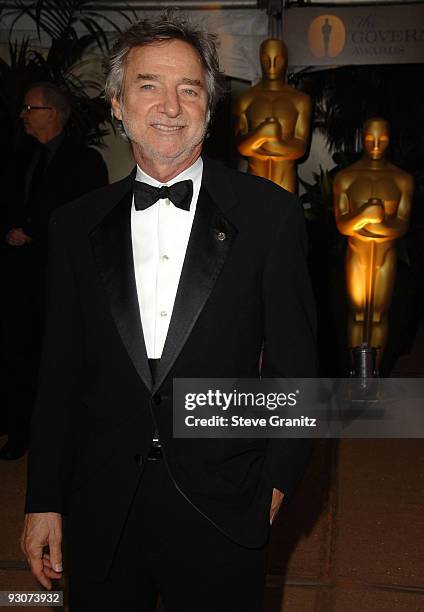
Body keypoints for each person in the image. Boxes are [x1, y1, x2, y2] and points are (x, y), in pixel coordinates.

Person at [21, 14, 317, 611]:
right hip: (101, 502)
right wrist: (42, 498)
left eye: (189, 88)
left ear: (210, 107)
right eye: (148, 85)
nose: (170, 106)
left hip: (225, 502)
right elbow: (60, 374)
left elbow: (296, 364)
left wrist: (278, 479)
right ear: (117, 105)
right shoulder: (74, 225)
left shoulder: (270, 217)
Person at [0, 83, 108, 460]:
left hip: (58, 276)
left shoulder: (86, 161)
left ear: (52, 114)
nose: (22, 115)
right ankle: (18, 428)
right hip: (16, 275)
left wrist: (33, 230)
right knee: (15, 350)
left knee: (58, 357)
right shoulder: (17, 156)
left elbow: (86, 218)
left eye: (30, 108)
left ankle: (63, 433)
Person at [333, 117, 413, 370]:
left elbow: (401, 226)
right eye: (370, 139)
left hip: (384, 257)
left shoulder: (401, 180)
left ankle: (374, 372)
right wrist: (367, 214)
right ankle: (357, 373)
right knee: (357, 313)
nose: (376, 145)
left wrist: (369, 224)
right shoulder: (346, 178)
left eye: (382, 139)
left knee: (378, 315)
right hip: (357, 254)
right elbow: (343, 225)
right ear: (362, 138)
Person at [233, 38, 311, 193]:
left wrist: (272, 144)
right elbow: (241, 146)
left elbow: (300, 148)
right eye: (266, 59)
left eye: (278, 59)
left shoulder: (300, 100)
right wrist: (262, 133)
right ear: (260, 58)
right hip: (255, 177)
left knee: (284, 214)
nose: (272, 65)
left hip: (285, 178)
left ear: (286, 59)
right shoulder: (246, 99)